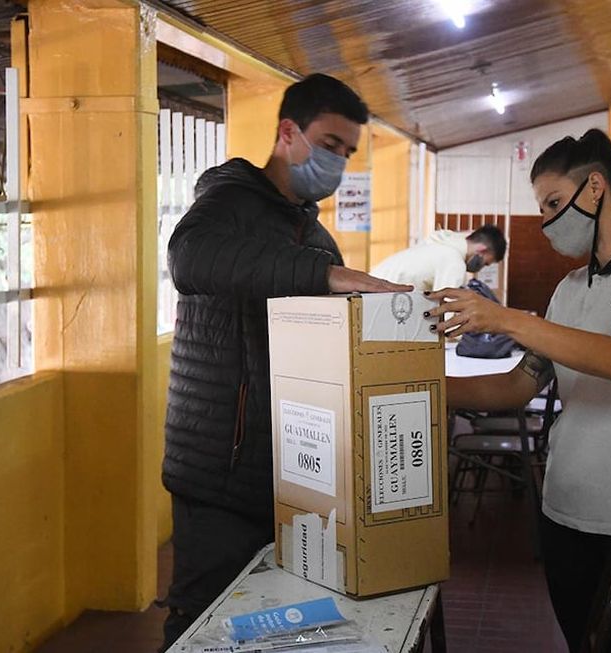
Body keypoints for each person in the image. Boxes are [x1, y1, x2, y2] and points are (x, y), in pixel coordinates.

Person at [426, 129, 611, 653]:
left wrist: (505, 318)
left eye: (555, 203)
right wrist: (427, 389)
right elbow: (518, 384)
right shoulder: (569, 290)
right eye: (542, 208)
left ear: (595, 188)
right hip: (568, 512)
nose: (549, 222)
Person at [160, 73, 409, 649]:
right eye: (329, 145)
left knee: (278, 625)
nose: (338, 162)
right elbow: (190, 257)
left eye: (347, 152)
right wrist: (329, 276)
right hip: (219, 470)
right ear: (288, 133)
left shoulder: (315, 236)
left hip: (292, 474)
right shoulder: (230, 201)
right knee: (202, 625)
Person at [369, 224, 506, 292]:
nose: (481, 267)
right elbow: (447, 313)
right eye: (486, 263)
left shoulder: (442, 242)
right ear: (482, 249)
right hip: (381, 297)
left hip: (371, 289)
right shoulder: (454, 261)